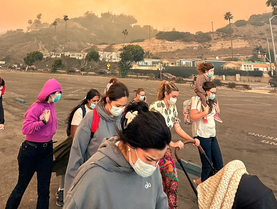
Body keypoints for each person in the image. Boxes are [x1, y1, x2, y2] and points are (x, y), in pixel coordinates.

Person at [64, 102, 171, 209]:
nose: (153, 166)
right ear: (130, 144)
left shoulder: (151, 169)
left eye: (157, 160)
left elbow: (160, 202)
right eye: (149, 159)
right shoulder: (93, 176)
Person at [5, 78, 62, 209]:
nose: (58, 96)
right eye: (56, 92)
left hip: (47, 150)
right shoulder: (35, 108)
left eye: (59, 93)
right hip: (31, 151)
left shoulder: (51, 106)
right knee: (21, 186)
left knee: (44, 190)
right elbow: (26, 129)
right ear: (49, 93)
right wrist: (42, 123)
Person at [64, 82, 129, 193]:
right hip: (93, 181)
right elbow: (76, 154)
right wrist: (71, 191)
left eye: (124, 106)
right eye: (118, 106)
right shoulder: (91, 119)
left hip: (115, 182)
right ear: (108, 100)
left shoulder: (123, 120)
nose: (121, 109)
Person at [150, 80, 199, 209]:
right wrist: (172, 143)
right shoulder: (156, 107)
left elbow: (177, 128)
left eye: (176, 97)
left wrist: (192, 139)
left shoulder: (172, 108)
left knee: (172, 182)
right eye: (173, 96)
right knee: (154, 183)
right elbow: (155, 131)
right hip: (153, 149)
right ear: (166, 94)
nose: (175, 99)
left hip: (165, 150)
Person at [54, 89, 101, 206]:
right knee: (67, 167)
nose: (96, 103)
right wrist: (82, 146)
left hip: (90, 145)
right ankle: (62, 190)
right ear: (88, 100)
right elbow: (75, 134)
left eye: (98, 101)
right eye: (94, 100)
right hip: (77, 144)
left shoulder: (98, 112)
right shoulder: (81, 111)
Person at [190, 81, 224, 184]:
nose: (214, 94)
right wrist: (204, 113)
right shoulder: (196, 100)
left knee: (219, 165)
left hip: (211, 134)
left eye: (215, 92)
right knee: (207, 165)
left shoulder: (212, 100)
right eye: (212, 92)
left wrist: (217, 109)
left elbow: (215, 113)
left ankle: (205, 184)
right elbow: (192, 117)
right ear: (205, 91)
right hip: (202, 135)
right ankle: (202, 191)